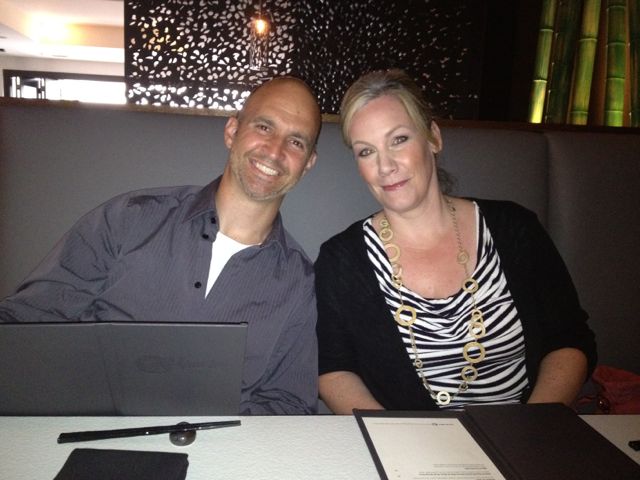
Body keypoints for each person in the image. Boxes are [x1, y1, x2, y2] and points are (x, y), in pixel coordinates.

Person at [0, 76, 322, 415]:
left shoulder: (297, 282)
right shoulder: (129, 219)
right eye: (264, 127)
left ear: (308, 164)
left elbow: (290, 402)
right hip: (89, 426)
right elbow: (26, 322)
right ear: (232, 131)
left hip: (219, 443)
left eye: (296, 142)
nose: (275, 150)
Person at [315, 69, 597, 413]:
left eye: (399, 139)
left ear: (433, 138)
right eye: (365, 151)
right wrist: (391, 436)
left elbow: (569, 339)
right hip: (407, 440)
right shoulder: (341, 261)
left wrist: (532, 426)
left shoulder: (515, 228)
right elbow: (334, 368)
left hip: (526, 432)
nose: (385, 165)